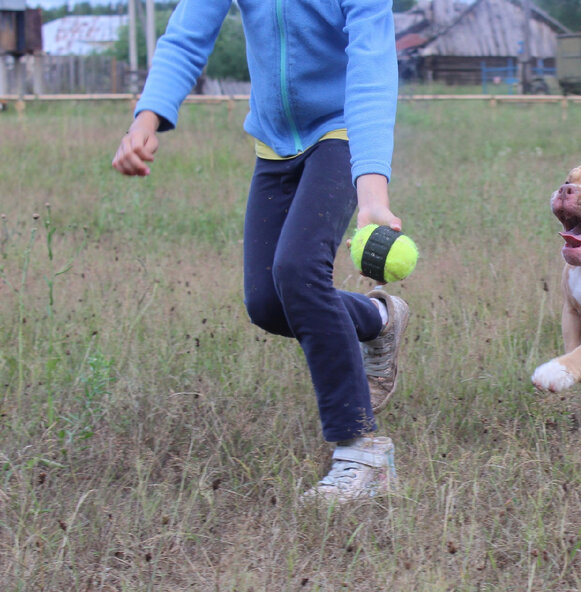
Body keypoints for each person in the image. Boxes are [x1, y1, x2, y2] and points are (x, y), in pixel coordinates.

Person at [111, 0, 409, 503]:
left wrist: (372, 190)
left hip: (341, 133)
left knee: (298, 271)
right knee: (269, 303)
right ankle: (377, 319)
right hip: (274, 143)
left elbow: (372, 67)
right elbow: (187, 35)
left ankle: (363, 453)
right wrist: (146, 118)